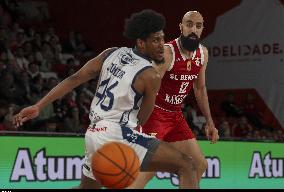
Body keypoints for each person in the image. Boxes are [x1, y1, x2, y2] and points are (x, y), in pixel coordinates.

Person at [13, 9, 199, 189]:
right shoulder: (150, 75)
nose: (162, 46)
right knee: (187, 166)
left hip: (94, 133)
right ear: (141, 43)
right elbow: (142, 118)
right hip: (118, 135)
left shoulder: (111, 53)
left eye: (163, 39)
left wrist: (39, 105)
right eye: (156, 41)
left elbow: (74, 78)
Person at [129, 11, 219, 188]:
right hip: (154, 114)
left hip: (175, 116)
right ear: (181, 27)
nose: (193, 29)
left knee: (198, 164)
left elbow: (199, 89)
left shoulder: (203, 54)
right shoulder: (168, 53)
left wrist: (209, 122)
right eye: (189, 24)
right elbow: (147, 86)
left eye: (198, 26)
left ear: (202, 30)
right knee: (146, 172)